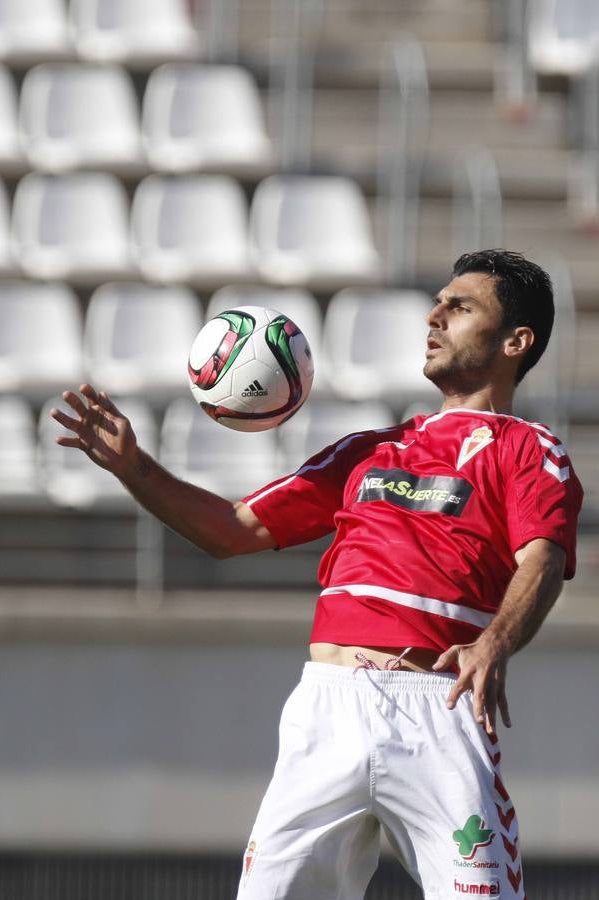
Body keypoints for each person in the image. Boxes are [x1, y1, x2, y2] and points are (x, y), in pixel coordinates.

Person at [52, 249, 583, 900]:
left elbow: (544, 557)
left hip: (438, 711)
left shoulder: (530, 450)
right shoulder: (366, 451)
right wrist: (136, 469)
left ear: (516, 342)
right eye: (438, 301)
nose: (435, 315)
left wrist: (496, 641)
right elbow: (231, 529)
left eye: (461, 306)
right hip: (328, 710)